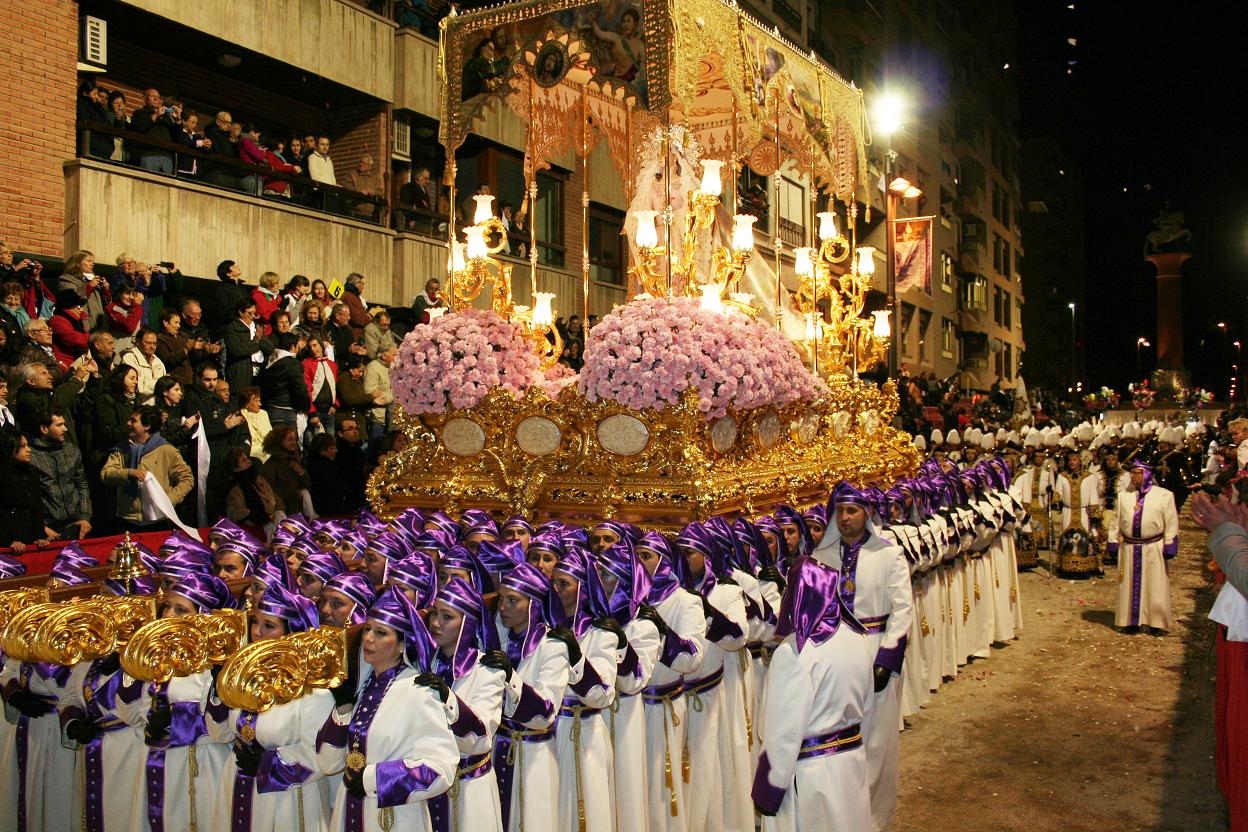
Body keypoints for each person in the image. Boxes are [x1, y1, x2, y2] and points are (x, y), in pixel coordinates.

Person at [314, 586, 460, 832]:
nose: (369, 638)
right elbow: (328, 763)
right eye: (368, 629)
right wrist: (343, 708)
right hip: (348, 809)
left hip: (394, 817)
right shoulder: (361, 686)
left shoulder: (418, 691)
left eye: (381, 633)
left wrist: (376, 779)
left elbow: (441, 767)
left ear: (403, 645)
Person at [812, 482, 914, 832]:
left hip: (875, 654)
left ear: (867, 514)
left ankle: (874, 819)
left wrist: (887, 657)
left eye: (851, 511)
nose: (844, 518)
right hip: (835, 656)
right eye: (839, 511)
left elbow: (902, 610)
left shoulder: (889, 554)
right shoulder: (822, 557)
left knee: (877, 739)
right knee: (838, 738)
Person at [751, 556, 873, 832]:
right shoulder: (856, 638)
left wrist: (769, 789)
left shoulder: (795, 653)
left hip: (810, 775)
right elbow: (868, 702)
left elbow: (782, 733)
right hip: (851, 761)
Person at [206, 582, 334, 832]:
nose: (258, 632)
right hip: (239, 785)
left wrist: (269, 764)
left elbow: (320, 756)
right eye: (256, 622)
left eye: (269, 626)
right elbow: (219, 733)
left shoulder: (314, 690)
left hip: (287, 797)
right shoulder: (245, 677)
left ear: (292, 633)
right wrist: (218, 689)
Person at [425, 577, 507, 832]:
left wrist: (448, 698)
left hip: (469, 787)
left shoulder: (487, 671)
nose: (436, 623)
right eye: (434, 613)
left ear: (467, 624)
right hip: (428, 786)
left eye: (447, 617)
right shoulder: (422, 666)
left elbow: (479, 739)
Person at [101, 405, 194, 531]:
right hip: (128, 519)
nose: (128, 423)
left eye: (133, 421)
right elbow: (106, 474)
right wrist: (129, 473)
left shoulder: (166, 450)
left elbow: (187, 479)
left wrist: (168, 501)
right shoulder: (121, 449)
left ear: (147, 426)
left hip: (158, 520)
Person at [1112, 460, 1180, 633]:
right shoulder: (1123, 496)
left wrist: (1170, 543)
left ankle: (1156, 623)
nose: (1133, 476)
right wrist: (1112, 540)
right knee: (1127, 585)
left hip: (1153, 547)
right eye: (1132, 473)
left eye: (1137, 473)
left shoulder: (1164, 496)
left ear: (1147, 474)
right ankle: (1130, 621)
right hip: (1129, 547)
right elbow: (1116, 521)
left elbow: (1171, 521)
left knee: (1155, 585)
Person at [26, 409, 92, 540]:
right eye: (59, 425)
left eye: (64, 424)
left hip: (75, 526)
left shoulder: (72, 451)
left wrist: (85, 516)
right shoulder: (30, 456)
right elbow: (27, 496)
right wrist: (40, 527)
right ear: (44, 429)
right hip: (47, 531)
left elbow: (82, 484)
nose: (65, 429)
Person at [0, 426, 55, 550]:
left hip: (29, 540)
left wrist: (39, 536)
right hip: (7, 544)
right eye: (23, 446)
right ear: (9, 448)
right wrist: (7, 541)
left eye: (28, 445)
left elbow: (36, 508)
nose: (29, 450)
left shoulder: (31, 472)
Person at [258, 331, 311, 431]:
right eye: (297, 347)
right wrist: (305, 406)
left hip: (269, 409)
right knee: (288, 443)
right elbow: (299, 388)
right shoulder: (292, 364)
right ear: (292, 347)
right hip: (286, 411)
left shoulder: (267, 361)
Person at [261, 425, 311, 517]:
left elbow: (307, 485)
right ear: (279, 442)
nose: (294, 443)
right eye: (289, 440)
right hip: (283, 511)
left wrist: (301, 473)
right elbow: (269, 491)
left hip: (298, 510)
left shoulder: (294, 461)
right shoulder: (272, 465)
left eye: (295, 440)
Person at [57, 249, 110, 331]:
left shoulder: (93, 280)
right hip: (82, 324)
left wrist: (106, 290)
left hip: (99, 325)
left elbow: (106, 305)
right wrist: (89, 287)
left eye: (93, 261)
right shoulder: (67, 279)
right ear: (78, 263)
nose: (92, 264)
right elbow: (70, 300)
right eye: (89, 261)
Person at [224, 298, 267, 397]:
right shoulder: (232, 328)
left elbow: (269, 347)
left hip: (257, 372)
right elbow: (236, 350)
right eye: (249, 313)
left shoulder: (256, 326)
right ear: (240, 312)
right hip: (240, 373)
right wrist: (256, 341)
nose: (252, 317)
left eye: (254, 314)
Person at [130, 88, 179, 173]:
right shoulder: (139, 113)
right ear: (145, 99)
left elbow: (175, 137)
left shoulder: (166, 117)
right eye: (153, 96)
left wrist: (178, 120)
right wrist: (156, 115)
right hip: (149, 154)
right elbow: (140, 128)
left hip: (167, 156)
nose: (156, 99)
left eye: (158, 97)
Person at [120, 328, 167, 403]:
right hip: (137, 406)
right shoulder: (129, 358)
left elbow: (164, 388)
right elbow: (139, 387)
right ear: (138, 342)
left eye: (154, 343)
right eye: (148, 343)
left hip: (156, 407)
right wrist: (160, 384)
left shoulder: (158, 362)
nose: (152, 346)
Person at [363, 346, 396, 442]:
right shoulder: (373, 367)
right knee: (376, 451)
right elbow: (371, 393)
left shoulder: (393, 368)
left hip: (392, 417)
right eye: (394, 355)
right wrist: (393, 397)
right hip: (378, 418)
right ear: (384, 356)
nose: (397, 357)